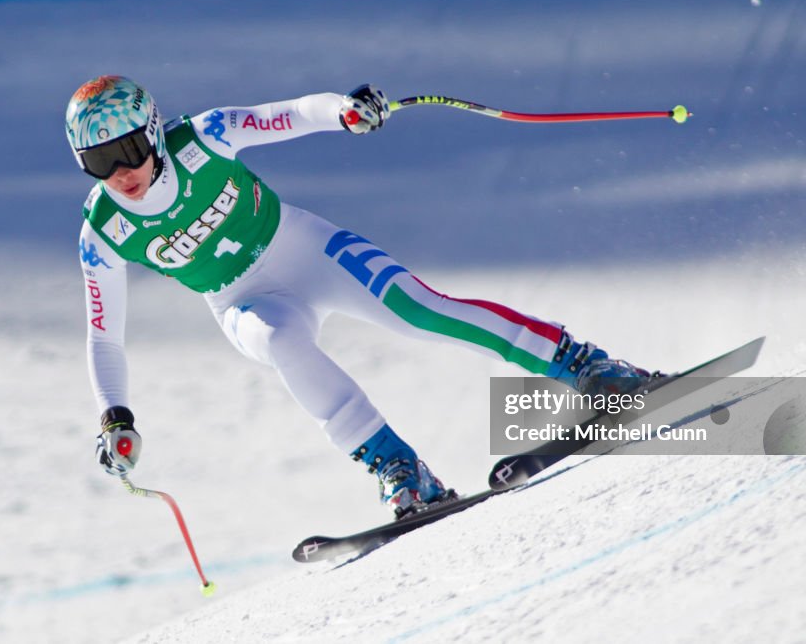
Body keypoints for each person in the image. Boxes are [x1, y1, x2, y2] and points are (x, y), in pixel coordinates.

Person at [67, 75, 654, 518]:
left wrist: (343, 112)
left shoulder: (204, 137)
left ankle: (585, 366)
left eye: (127, 150)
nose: (121, 172)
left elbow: (289, 114)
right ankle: (400, 468)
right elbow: (104, 335)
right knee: (281, 342)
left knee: (418, 311)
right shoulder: (104, 233)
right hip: (240, 301)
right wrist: (114, 416)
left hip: (300, 248)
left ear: (153, 134)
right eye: (100, 161)